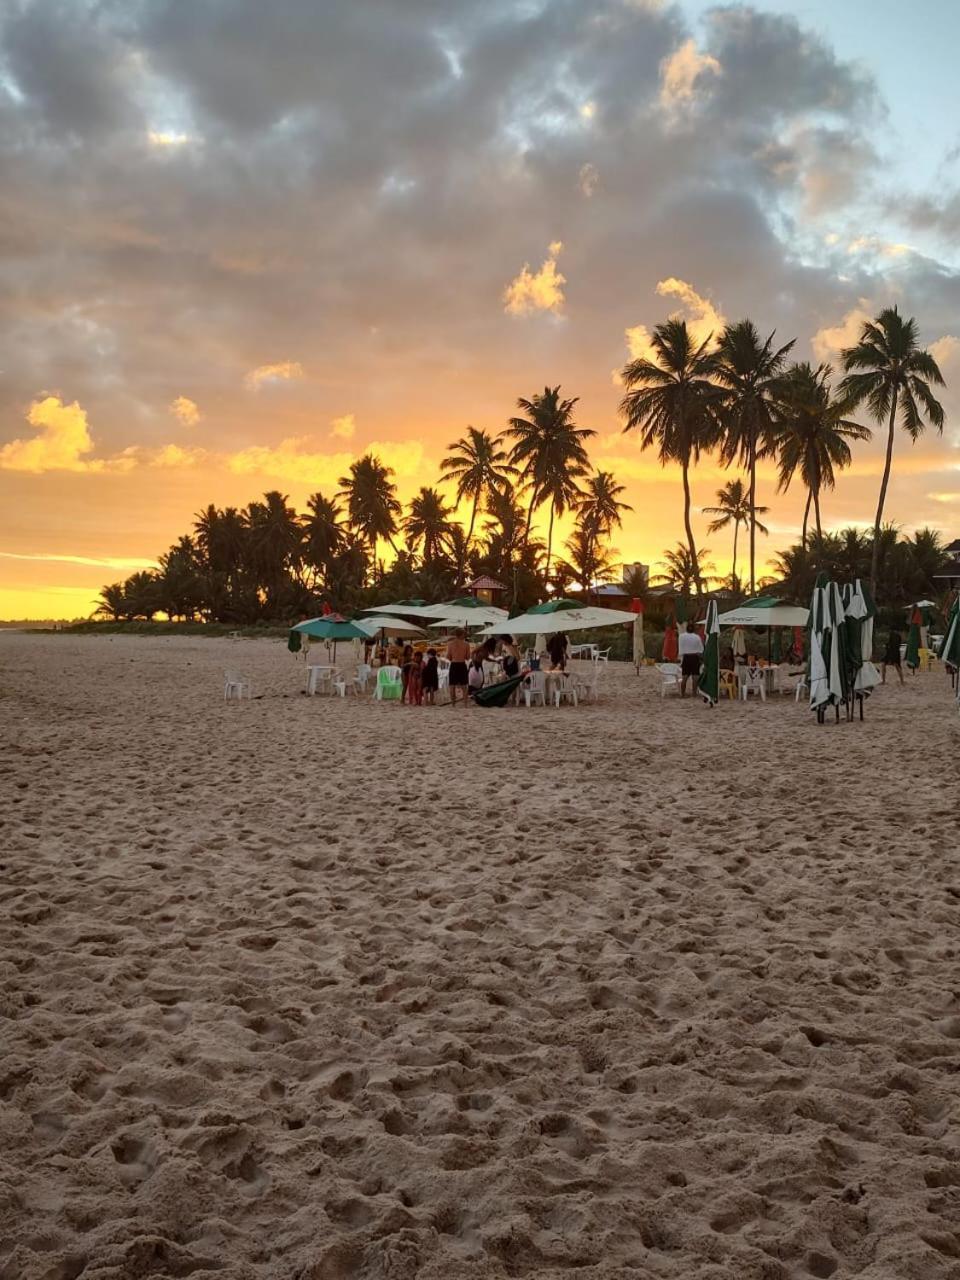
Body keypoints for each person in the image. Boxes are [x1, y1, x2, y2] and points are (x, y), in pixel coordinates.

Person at [446, 628, 471, 706]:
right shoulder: (466, 644)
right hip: (462, 664)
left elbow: (448, 657)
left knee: (452, 685)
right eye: (464, 634)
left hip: (454, 664)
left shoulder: (450, 644)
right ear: (462, 634)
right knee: (464, 685)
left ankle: (453, 704)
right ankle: (465, 704)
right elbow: (467, 657)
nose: (465, 635)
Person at [678, 621, 704, 697]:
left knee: (684, 677)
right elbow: (701, 650)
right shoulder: (697, 637)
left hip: (686, 657)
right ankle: (694, 693)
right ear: (693, 629)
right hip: (694, 657)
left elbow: (680, 648)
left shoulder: (681, 636)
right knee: (695, 677)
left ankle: (682, 694)